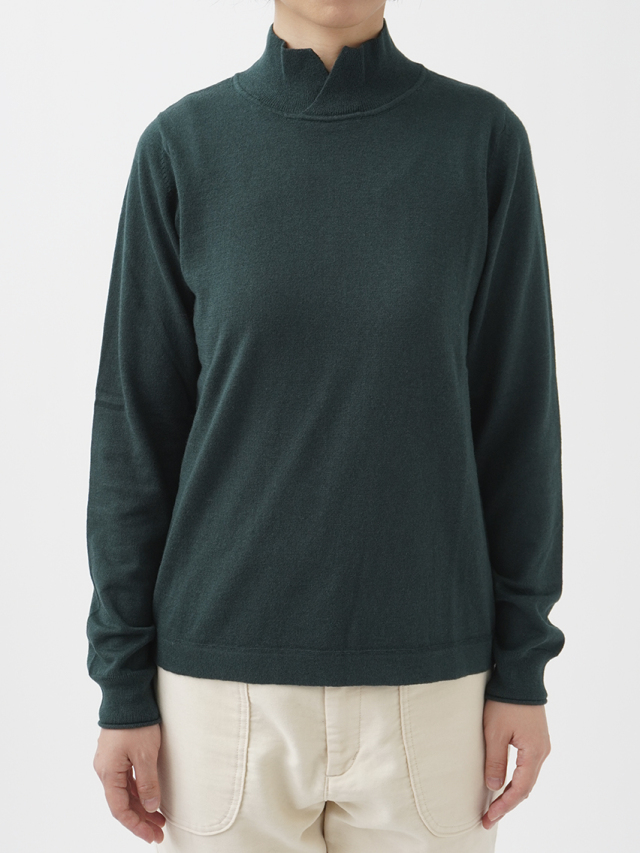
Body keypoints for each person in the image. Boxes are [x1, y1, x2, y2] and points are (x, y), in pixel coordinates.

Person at [86, 0, 565, 850]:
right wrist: (122, 685)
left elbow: (518, 419)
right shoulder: (183, 148)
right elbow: (134, 431)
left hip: (433, 688)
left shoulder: (481, 143)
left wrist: (522, 667)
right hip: (219, 696)